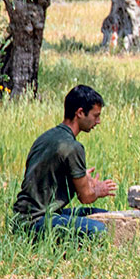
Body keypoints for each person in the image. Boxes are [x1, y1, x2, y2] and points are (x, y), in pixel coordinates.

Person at [11, 85, 117, 238]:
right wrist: (98, 190)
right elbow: (85, 197)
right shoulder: (73, 147)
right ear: (80, 113)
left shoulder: (45, 137)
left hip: (23, 217)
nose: (98, 121)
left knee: (105, 216)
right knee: (99, 229)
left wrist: (78, 178)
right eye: (96, 116)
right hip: (37, 220)